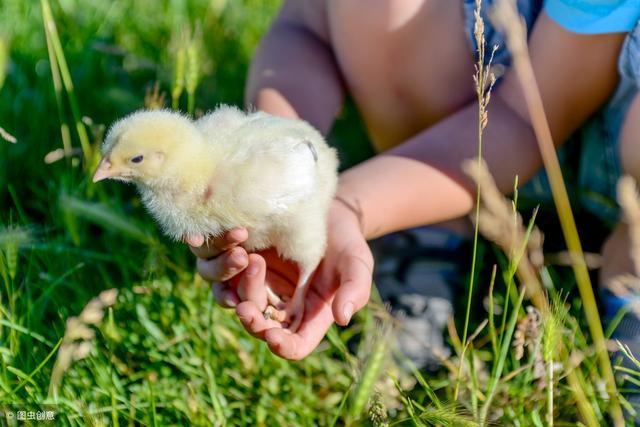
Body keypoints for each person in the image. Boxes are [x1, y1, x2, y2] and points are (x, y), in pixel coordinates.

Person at [189, 0, 640, 363]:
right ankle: (427, 223)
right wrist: (282, 179)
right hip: (484, 118)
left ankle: (633, 278)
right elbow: (306, 23)